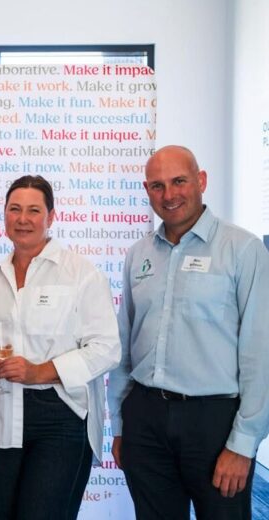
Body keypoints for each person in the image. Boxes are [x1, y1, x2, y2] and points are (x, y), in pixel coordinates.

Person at [108, 145, 269, 519]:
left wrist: (244, 444)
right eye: (157, 186)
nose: (169, 195)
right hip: (145, 418)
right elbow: (125, 345)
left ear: (201, 181)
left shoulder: (243, 250)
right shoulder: (138, 254)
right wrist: (120, 425)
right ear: (147, 191)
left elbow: (260, 354)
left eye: (179, 181)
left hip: (214, 421)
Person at [0, 175, 120, 520]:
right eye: (15, 209)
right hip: (2, 415)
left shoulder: (81, 273)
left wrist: (40, 372)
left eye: (34, 210)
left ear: (51, 216)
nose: (23, 219)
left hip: (60, 415)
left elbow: (106, 347)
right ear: (4, 215)